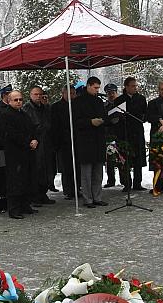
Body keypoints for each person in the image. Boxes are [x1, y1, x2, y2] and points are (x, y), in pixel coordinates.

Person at [72, 77, 108, 208]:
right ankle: (88, 198)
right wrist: (90, 122)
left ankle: (97, 196)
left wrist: (104, 120)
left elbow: (104, 116)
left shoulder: (99, 101)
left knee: (98, 172)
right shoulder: (78, 102)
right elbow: (76, 122)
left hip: (98, 139)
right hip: (85, 141)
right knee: (86, 173)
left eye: (98, 88)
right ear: (88, 86)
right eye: (95, 88)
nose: (97, 90)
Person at [3, 90, 38, 219]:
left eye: (20, 99)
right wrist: (28, 142)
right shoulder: (6, 115)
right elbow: (12, 134)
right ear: (9, 101)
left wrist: (34, 139)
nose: (19, 102)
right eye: (16, 100)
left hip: (26, 153)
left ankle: (25, 205)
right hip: (14, 154)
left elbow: (32, 128)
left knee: (26, 180)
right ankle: (14, 209)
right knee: (15, 182)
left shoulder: (24, 114)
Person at [22, 85, 56, 205]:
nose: (38, 96)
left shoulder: (45, 108)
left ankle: (43, 193)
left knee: (46, 169)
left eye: (40, 94)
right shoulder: (27, 108)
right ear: (30, 95)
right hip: (35, 142)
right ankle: (34, 195)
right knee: (36, 169)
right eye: (35, 94)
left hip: (46, 141)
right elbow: (27, 127)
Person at [114, 76, 148, 191]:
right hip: (124, 133)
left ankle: (138, 183)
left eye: (136, 86)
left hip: (137, 132)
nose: (135, 88)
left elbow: (145, 113)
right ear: (126, 87)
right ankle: (127, 183)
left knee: (138, 158)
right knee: (125, 159)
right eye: (132, 86)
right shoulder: (120, 100)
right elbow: (115, 116)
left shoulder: (141, 99)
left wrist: (143, 117)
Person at [50, 85, 81, 200]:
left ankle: (77, 188)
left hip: (77, 140)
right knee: (67, 168)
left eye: (73, 93)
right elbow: (54, 126)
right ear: (63, 93)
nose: (72, 96)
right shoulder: (56, 107)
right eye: (69, 93)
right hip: (63, 142)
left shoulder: (78, 105)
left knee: (77, 166)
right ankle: (68, 190)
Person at [102, 83, 121, 188]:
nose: (111, 95)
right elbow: (103, 119)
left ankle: (125, 180)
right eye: (109, 93)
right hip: (109, 134)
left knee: (122, 159)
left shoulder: (121, 104)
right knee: (110, 160)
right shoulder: (104, 106)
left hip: (121, 134)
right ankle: (111, 180)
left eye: (113, 92)